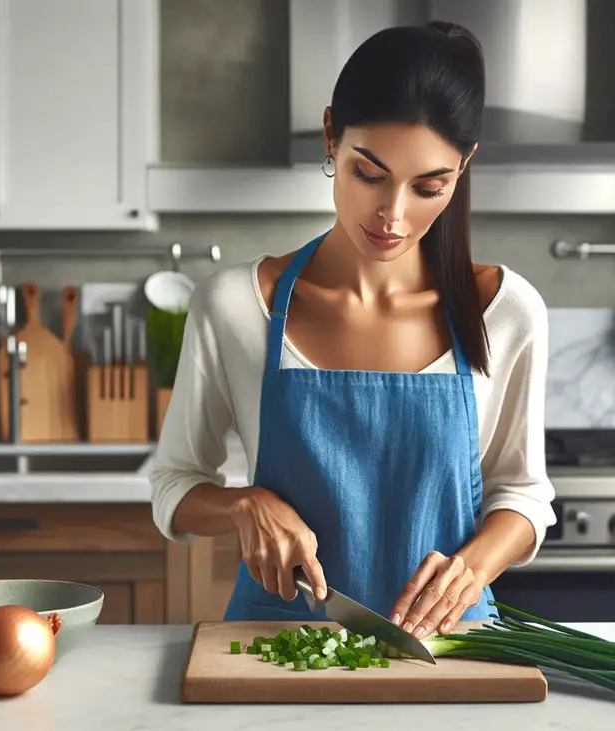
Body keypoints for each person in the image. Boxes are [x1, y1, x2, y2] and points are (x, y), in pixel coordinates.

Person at [149, 20, 556, 640]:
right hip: (276, 647)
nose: (393, 216)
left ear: (464, 167)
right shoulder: (235, 306)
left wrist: (472, 569)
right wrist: (243, 504)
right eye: (369, 174)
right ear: (331, 137)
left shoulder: (506, 311)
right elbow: (173, 486)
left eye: (429, 187)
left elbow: (524, 496)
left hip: (451, 647)